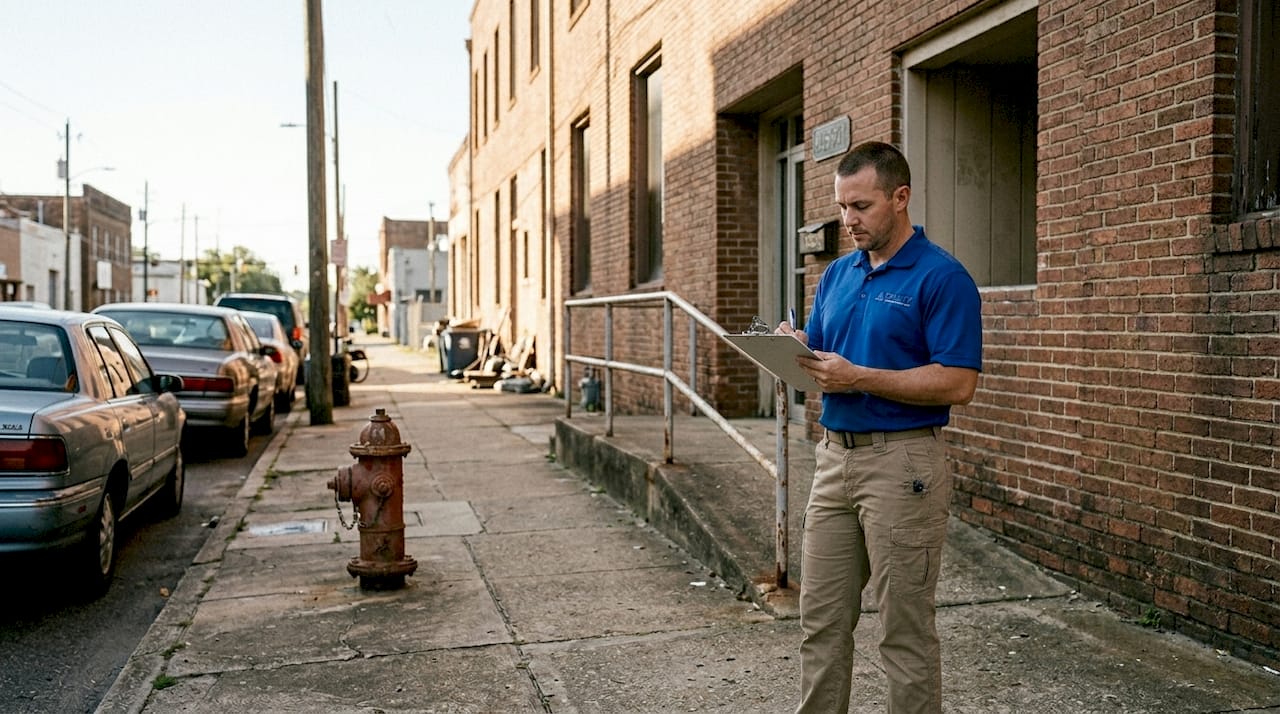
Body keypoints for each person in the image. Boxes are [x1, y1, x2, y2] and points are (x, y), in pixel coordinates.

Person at [778, 141, 983, 713]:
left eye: (861, 206)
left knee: (903, 632)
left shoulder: (943, 278)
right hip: (833, 459)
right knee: (819, 624)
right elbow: (823, 359)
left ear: (900, 197)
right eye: (842, 207)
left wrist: (861, 377)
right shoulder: (838, 275)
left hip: (903, 465)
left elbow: (958, 383)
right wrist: (793, 349)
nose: (848, 221)